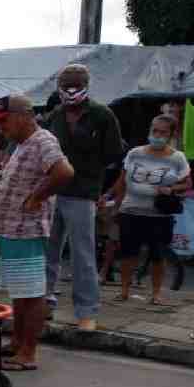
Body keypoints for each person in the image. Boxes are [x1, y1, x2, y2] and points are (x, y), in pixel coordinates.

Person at [0, 95, 74, 371]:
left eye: (5, 120)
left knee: (32, 293)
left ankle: (27, 352)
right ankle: (17, 343)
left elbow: (64, 172)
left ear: (24, 115)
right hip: (12, 231)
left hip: (25, 230)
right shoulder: (24, 144)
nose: (2, 127)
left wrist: (38, 196)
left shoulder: (42, 141)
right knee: (21, 293)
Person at [42, 63, 124, 332]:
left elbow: (113, 155)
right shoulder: (55, 115)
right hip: (52, 192)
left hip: (83, 193)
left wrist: (99, 187)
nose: (70, 89)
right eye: (65, 84)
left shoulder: (102, 115)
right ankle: (44, 302)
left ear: (86, 85)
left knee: (83, 255)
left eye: (75, 83)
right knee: (47, 252)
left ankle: (86, 312)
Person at [109, 114, 192, 305]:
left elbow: (187, 183)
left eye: (163, 132)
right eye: (154, 130)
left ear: (171, 134)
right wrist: (115, 204)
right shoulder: (135, 153)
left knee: (158, 254)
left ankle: (156, 294)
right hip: (131, 211)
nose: (157, 135)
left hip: (159, 215)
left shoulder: (177, 157)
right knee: (128, 254)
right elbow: (122, 181)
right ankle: (124, 291)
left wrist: (171, 189)